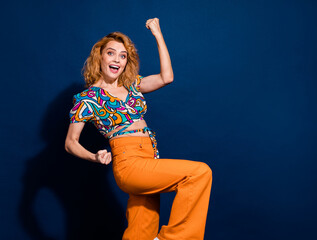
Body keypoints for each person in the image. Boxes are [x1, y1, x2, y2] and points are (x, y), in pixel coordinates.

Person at [65, 18, 212, 240]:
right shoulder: (87, 99)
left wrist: (158, 35)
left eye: (123, 56)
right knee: (199, 173)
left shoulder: (132, 85)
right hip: (128, 162)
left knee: (141, 230)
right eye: (111, 53)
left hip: (149, 155)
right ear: (100, 57)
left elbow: (166, 77)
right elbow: (70, 143)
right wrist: (94, 157)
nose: (117, 59)